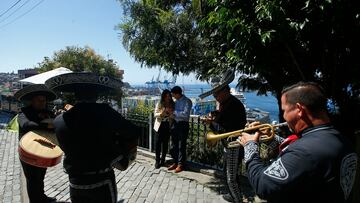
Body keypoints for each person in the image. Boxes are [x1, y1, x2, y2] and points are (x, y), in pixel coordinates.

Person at [238, 82, 358, 203]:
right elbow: (303, 158)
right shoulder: (342, 140)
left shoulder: (304, 152)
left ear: (299, 110)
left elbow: (263, 185)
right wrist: (271, 138)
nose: (283, 116)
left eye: (284, 110)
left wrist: (250, 147)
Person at [46, 72, 140, 203]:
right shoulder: (104, 112)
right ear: (96, 94)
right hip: (102, 181)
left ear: (75, 94)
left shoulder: (58, 121)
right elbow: (133, 131)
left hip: (75, 182)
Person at [199, 70, 247, 203]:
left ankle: (237, 199)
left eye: (216, 94)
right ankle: (233, 195)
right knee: (228, 172)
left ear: (225, 91)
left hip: (234, 144)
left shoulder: (232, 105)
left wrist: (211, 123)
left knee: (231, 176)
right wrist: (214, 117)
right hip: (229, 143)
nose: (215, 97)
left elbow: (224, 128)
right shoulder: (227, 103)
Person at [15, 84, 57, 203]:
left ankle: (41, 197)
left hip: (44, 149)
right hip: (28, 150)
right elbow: (26, 125)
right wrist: (45, 124)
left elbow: (55, 126)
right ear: (32, 100)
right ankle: (35, 200)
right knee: (32, 178)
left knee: (41, 175)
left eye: (44, 100)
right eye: (39, 100)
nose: (42, 102)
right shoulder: (23, 112)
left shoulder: (48, 113)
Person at [168, 86, 192, 173]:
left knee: (181, 145)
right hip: (175, 124)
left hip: (183, 125)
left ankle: (180, 164)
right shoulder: (176, 101)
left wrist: (174, 113)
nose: (173, 96)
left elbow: (185, 114)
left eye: (173, 94)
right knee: (174, 144)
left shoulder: (187, 101)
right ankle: (175, 162)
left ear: (177, 94)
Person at [154, 89, 175, 169]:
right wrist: (161, 114)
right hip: (160, 126)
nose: (167, 98)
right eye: (166, 96)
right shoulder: (159, 103)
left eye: (169, 96)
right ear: (163, 96)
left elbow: (174, 114)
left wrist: (171, 113)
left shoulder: (172, 104)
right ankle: (157, 161)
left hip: (167, 125)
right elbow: (155, 114)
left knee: (165, 144)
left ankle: (163, 160)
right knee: (158, 144)